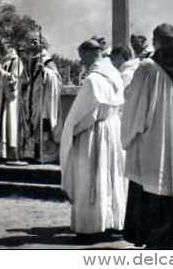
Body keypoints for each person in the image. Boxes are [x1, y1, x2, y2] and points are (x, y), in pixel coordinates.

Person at [122, 23, 173, 249]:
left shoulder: (147, 67)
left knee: (151, 183)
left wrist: (128, 136)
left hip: (152, 141)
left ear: (155, 41)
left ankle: (151, 238)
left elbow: (134, 104)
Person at [60, 39, 127, 242]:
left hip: (94, 133)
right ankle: (111, 222)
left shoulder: (93, 80)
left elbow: (83, 116)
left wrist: (71, 132)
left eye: (82, 57)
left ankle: (92, 226)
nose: (81, 61)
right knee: (110, 177)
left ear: (89, 54)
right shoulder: (115, 74)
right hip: (113, 129)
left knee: (91, 177)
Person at [26, 34, 62, 163]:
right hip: (33, 96)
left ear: (42, 43)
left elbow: (57, 78)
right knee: (33, 123)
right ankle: (33, 153)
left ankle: (46, 154)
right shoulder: (31, 59)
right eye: (31, 41)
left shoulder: (47, 60)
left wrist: (46, 71)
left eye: (35, 41)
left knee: (44, 124)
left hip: (44, 97)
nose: (33, 44)